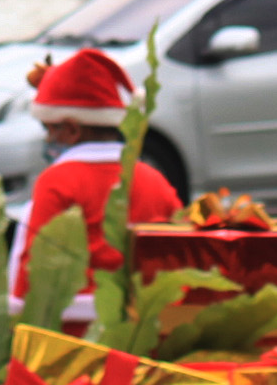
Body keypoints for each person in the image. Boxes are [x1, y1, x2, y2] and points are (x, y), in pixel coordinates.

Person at [14, 45, 184, 298]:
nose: (48, 139)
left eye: (49, 129)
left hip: (73, 320)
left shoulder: (57, 180)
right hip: (146, 317)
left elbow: (33, 271)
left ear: (72, 129)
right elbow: (182, 255)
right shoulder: (154, 180)